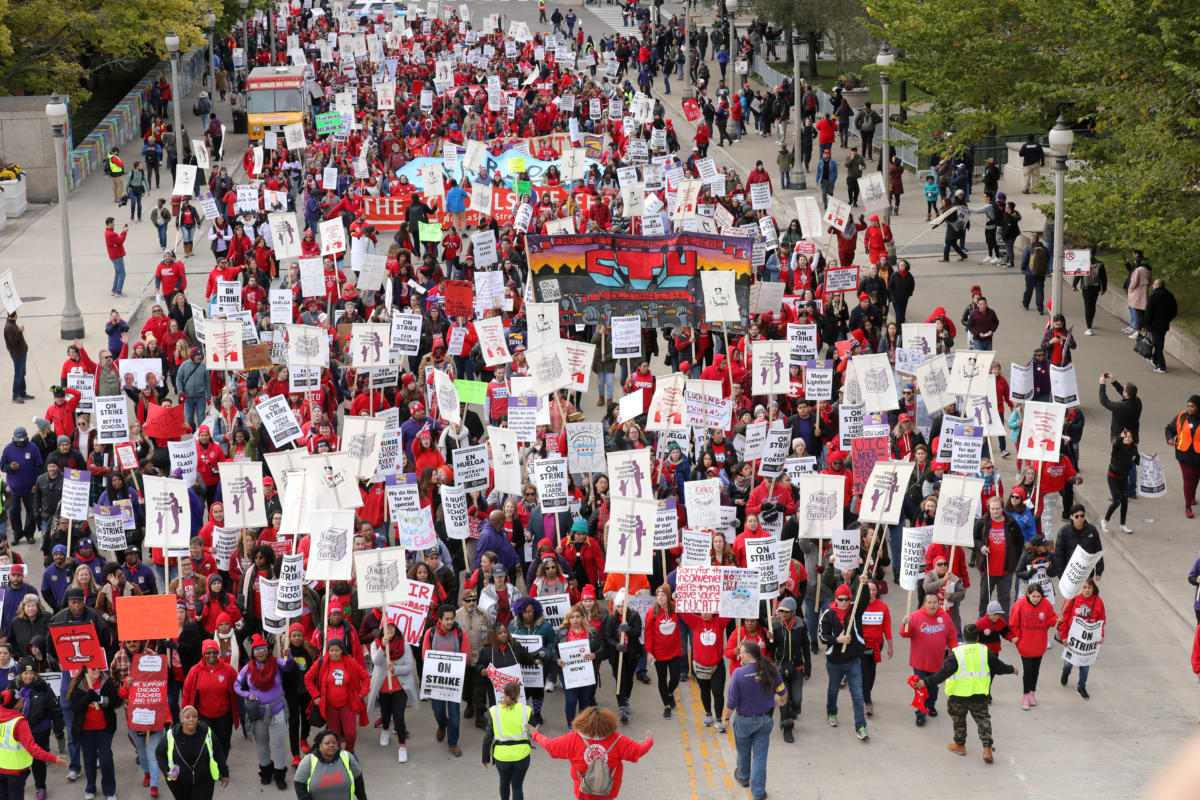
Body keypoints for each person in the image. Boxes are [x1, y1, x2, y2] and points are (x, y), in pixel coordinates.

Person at [915, 624, 1017, 763]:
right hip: (979, 695)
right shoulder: (984, 651)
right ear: (978, 637)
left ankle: (960, 745)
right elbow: (999, 668)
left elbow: (942, 674)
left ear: (963, 636)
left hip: (958, 695)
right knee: (983, 720)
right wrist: (1012, 669)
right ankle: (987, 748)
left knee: (959, 720)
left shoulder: (956, 654)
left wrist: (925, 682)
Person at [527, 706, 652, 800]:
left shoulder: (573, 739)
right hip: (608, 791)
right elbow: (640, 750)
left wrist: (535, 734)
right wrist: (649, 740)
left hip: (583, 791)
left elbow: (550, 746)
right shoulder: (618, 740)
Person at [720, 640, 785, 800]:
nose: (739, 655)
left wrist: (726, 718)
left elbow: (731, 703)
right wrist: (782, 699)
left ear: (748, 656)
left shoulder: (738, 674)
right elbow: (782, 690)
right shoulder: (771, 669)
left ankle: (743, 778)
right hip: (765, 721)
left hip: (743, 722)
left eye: (741, 652)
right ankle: (758, 793)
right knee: (760, 757)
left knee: (743, 751)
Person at [234, 634, 292, 789]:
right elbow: (237, 686)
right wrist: (248, 694)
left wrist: (289, 655)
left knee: (279, 743)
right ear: (252, 653)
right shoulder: (247, 668)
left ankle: (279, 775)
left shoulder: (277, 662)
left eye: (263, 649)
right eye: (257, 649)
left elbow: (288, 667)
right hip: (258, 714)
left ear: (268, 650)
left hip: (277, 710)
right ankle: (266, 772)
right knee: (261, 743)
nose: (260, 652)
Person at [817, 584, 869, 741]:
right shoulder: (827, 614)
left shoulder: (855, 610)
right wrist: (837, 640)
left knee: (858, 695)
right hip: (835, 662)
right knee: (833, 691)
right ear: (836, 600)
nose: (844, 602)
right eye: (841, 599)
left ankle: (861, 726)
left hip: (853, 661)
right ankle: (831, 712)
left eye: (847, 599)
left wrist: (864, 583)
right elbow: (822, 636)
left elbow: (865, 599)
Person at [899, 591, 958, 726]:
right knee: (920, 689)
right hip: (919, 662)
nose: (932, 605)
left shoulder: (944, 617)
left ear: (939, 603)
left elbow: (952, 637)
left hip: (937, 662)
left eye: (934, 603)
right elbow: (904, 634)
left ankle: (931, 705)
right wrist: (905, 624)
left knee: (933, 687)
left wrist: (954, 652)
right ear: (924, 604)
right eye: (929, 603)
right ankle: (920, 713)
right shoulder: (914, 616)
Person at [0, 686, 68, 800]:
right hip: (15, 772)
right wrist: (53, 759)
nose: (22, 700)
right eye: (19, 700)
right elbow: (33, 749)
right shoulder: (19, 723)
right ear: (13, 704)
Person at [67, 667, 121, 800]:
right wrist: (87, 698)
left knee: (106, 759)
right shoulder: (78, 684)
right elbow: (75, 707)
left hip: (104, 729)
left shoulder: (106, 681)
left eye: (99, 668)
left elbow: (117, 702)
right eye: (93, 669)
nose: (97, 671)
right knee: (89, 760)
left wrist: (101, 700)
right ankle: (90, 787)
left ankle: (109, 791)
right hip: (86, 731)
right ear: (85, 670)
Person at [367, 623, 416, 763]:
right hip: (383, 686)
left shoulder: (404, 644)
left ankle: (402, 747)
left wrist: (395, 669)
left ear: (396, 629)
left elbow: (409, 667)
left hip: (400, 687)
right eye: (386, 628)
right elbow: (375, 660)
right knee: (385, 713)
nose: (389, 630)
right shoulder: (375, 644)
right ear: (381, 629)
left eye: (392, 627)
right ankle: (385, 730)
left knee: (399, 717)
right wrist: (383, 647)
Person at [157, 705, 229, 800]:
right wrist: (167, 771)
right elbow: (159, 754)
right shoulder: (171, 735)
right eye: (187, 717)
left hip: (204, 781)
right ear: (182, 719)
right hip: (179, 783)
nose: (191, 719)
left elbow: (218, 752)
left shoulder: (207, 733)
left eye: (194, 716)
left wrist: (225, 773)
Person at [767, 596, 810, 742]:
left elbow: (806, 646)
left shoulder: (801, 625)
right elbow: (771, 649)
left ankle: (790, 713)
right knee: (784, 699)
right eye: (781, 611)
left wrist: (808, 666)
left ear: (793, 611)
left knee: (797, 700)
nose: (782, 614)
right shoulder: (776, 625)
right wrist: (770, 639)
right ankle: (787, 728)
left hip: (797, 667)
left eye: (786, 611)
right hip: (780, 669)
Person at [1009, 584, 1058, 710]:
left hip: (1039, 644)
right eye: (1033, 596)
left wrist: (1058, 619)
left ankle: (1032, 692)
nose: (1036, 599)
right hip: (1025, 645)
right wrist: (1018, 639)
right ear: (1028, 594)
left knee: (1036, 670)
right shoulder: (1019, 605)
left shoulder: (1046, 604)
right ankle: (1025, 695)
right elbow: (1013, 624)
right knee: (1028, 670)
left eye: (1038, 596)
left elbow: (1050, 620)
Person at [973, 495, 1023, 615]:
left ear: (1002, 509)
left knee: (1004, 599)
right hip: (987, 569)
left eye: (997, 509)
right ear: (989, 509)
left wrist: (1014, 561)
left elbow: (1019, 541)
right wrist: (981, 547)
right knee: (985, 597)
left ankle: (1004, 625)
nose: (995, 511)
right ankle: (982, 621)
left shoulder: (1011, 523)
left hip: (1005, 571)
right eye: (992, 509)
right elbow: (974, 539)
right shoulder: (982, 523)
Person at [482, 681, 532, 800]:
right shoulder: (526, 710)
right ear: (518, 695)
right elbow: (535, 730)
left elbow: (488, 737)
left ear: (504, 693)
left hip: (502, 756)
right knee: (517, 787)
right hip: (522, 755)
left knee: (504, 783)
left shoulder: (495, 711)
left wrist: (485, 758)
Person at [1058, 577, 1105, 699]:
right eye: (1084, 587)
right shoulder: (1072, 599)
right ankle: (1065, 673)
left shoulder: (1098, 602)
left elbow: (1101, 620)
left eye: (1090, 587)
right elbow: (1063, 618)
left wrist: (1101, 635)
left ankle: (1081, 686)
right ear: (1079, 588)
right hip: (1072, 638)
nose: (1087, 590)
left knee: (1085, 665)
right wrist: (1063, 636)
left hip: (1088, 641)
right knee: (1068, 664)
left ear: (1093, 588)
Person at [294, 729, 366, 800]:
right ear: (320, 745)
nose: (331, 745)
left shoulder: (347, 757)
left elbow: (358, 781)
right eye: (327, 743)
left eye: (334, 742)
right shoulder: (308, 761)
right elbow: (299, 783)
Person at [1166, 395, 1200, 518]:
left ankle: (1192, 497)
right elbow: (1169, 428)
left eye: (1193, 406)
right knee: (1188, 479)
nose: (1189, 409)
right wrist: (1169, 438)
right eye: (1188, 406)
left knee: (1195, 478)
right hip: (1184, 455)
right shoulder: (1181, 417)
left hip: (1198, 456)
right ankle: (1188, 507)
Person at [1102, 429, 1140, 534]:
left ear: (1132, 439)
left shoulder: (1134, 449)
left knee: (1124, 501)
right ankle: (1105, 521)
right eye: (1125, 437)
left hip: (1123, 478)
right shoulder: (1118, 447)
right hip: (1113, 477)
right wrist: (1120, 436)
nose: (1127, 439)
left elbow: (1139, 461)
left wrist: (1149, 458)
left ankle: (1122, 525)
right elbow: (1116, 444)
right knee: (1116, 501)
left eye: (1129, 437)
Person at [1143, 278, 1178, 373]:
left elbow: (1148, 312)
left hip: (1154, 325)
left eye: (1154, 284)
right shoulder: (1170, 296)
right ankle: (1154, 360)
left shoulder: (1153, 296)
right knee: (1159, 343)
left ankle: (1162, 367)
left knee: (1158, 345)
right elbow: (1174, 311)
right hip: (1164, 325)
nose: (1153, 285)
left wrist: (1145, 324)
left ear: (1157, 285)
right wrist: (1167, 319)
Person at [3, 312, 31, 404]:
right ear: (14, 315)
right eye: (16, 314)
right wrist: (19, 331)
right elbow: (13, 342)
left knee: (22, 373)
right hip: (17, 354)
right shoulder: (9, 327)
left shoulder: (12, 324)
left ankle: (22, 393)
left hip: (21, 352)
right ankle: (15, 396)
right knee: (18, 375)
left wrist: (18, 330)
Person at [103, 217, 129, 298]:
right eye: (113, 223)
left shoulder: (108, 233)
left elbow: (117, 240)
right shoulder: (111, 234)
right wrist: (124, 232)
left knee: (118, 273)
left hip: (113, 256)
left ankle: (114, 290)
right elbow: (120, 241)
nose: (114, 224)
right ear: (109, 223)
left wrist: (122, 232)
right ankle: (118, 292)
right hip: (117, 256)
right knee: (122, 274)